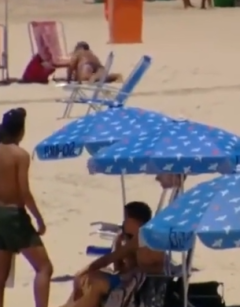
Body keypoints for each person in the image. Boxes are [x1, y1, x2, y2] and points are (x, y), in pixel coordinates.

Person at [63, 201, 165, 307]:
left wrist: (85, 270)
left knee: (96, 284)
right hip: (128, 281)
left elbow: (110, 261)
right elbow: (117, 266)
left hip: (141, 287)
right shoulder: (135, 239)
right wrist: (118, 242)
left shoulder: (148, 239)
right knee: (86, 278)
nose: (123, 223)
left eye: (126, 219)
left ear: (135, 221)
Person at [0, 108, 53, 307]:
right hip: (14, 216)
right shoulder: (19, 155)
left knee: (1, 277)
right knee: (44, 268)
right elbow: (24, 192)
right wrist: (38, 218)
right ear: (21, 131)